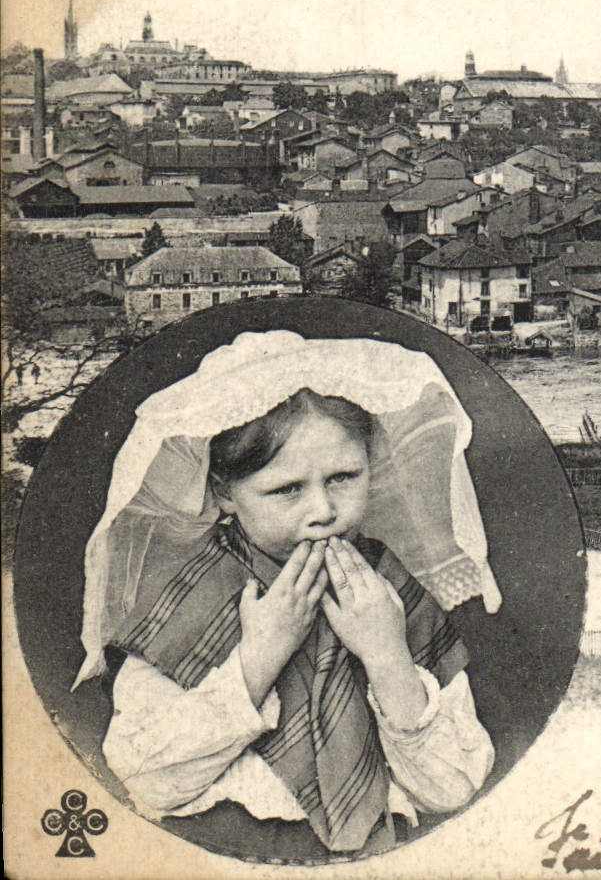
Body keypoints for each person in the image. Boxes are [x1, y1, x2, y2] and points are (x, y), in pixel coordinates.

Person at [76, 332, 502, 855]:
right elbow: (144, 779)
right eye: (287, 489)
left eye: (345, 477)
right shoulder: (191, 593)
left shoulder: (386, 589)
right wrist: (260, 657)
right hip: (223, 850)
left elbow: (453, 787)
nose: (323, 511)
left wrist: (387, 655)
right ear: (225, 493)